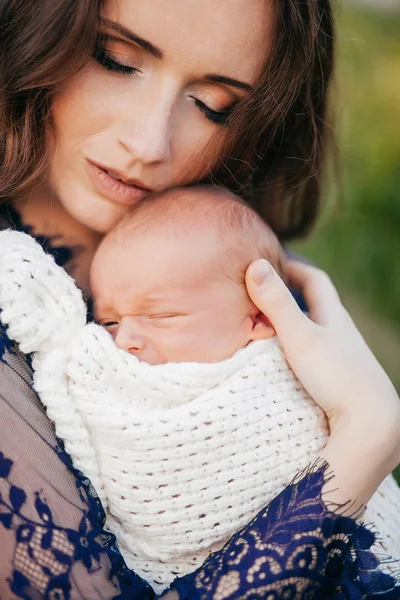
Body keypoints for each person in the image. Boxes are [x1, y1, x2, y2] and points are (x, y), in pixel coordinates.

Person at [0, 1, 399, 598]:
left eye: (215, 106)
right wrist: (366, 438)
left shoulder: (254, 276)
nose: (148, 141)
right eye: (116, 60)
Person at [1, 185, 400, 596]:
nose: (125, 340)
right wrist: (370, 429)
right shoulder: (98, 373)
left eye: (162, 315)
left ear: (260, 317)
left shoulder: (284, 370)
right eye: (110, 322)